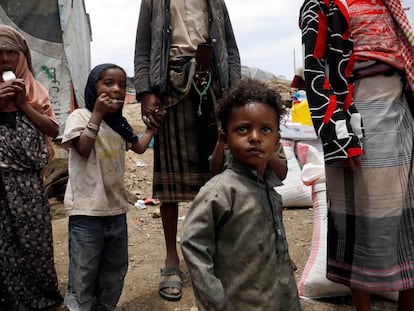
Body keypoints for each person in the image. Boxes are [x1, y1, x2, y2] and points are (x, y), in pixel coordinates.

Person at [300, 0, 414, 310]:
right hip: (357, 118)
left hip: (402, 111)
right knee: (361, 220)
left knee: (409, 217)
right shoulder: (322, 5)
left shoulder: (389, 4)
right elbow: (316, 73)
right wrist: (341, 141)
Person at [134, 0, 241, 301]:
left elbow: (230, 47)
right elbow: (143, 47)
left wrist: (233, 89)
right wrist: (145, 92)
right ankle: (172, 259)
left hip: (213, 83)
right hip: (171, 85)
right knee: (170, 175)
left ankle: (216, 253)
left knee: (216, 172)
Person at [180, 78, 301, 310]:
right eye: (243, 129)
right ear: (225, 139)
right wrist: (214, 299)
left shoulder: (267, 187)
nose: (255, 137)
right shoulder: (221, 190)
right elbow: (193, 242)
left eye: (265, 129)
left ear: (276, 140)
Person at [62, 63, 160, 310]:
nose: (116, 89)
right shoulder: (80, 116)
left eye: (122, 85)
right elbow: (83, 149)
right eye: (108, 83)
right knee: (83, 274)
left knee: (114, 271)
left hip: (116, 212)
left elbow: (137, 147)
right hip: (86, 213)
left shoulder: (119, 124)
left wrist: (150, 129)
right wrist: (96, 113)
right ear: (93, 87)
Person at [0, 25, 63, 310]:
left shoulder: (35, 91)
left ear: (22, 56)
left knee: (34, 245)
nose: (4, 60)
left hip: (28, 186)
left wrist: (23, 104)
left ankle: (40, 300)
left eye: (11, 52)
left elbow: (52, 128)